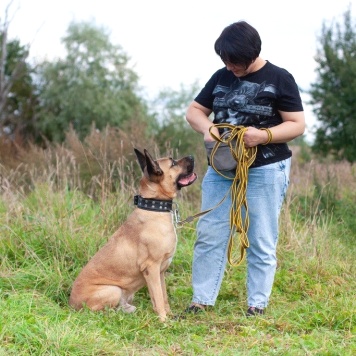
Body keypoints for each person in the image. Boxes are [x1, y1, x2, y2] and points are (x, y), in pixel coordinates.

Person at [184, 20, 305, 317]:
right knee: (209, 233)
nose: (229, 66)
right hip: (222, 168)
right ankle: (201, 300)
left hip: (265, 168)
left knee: (261, 237)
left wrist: (263, 136)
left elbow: (297, 124)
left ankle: (257, 305)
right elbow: (194, 111)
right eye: (224, 60)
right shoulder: (221, 76)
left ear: (252, 54)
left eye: (234, 61)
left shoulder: (280, 78)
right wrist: (209, 128)